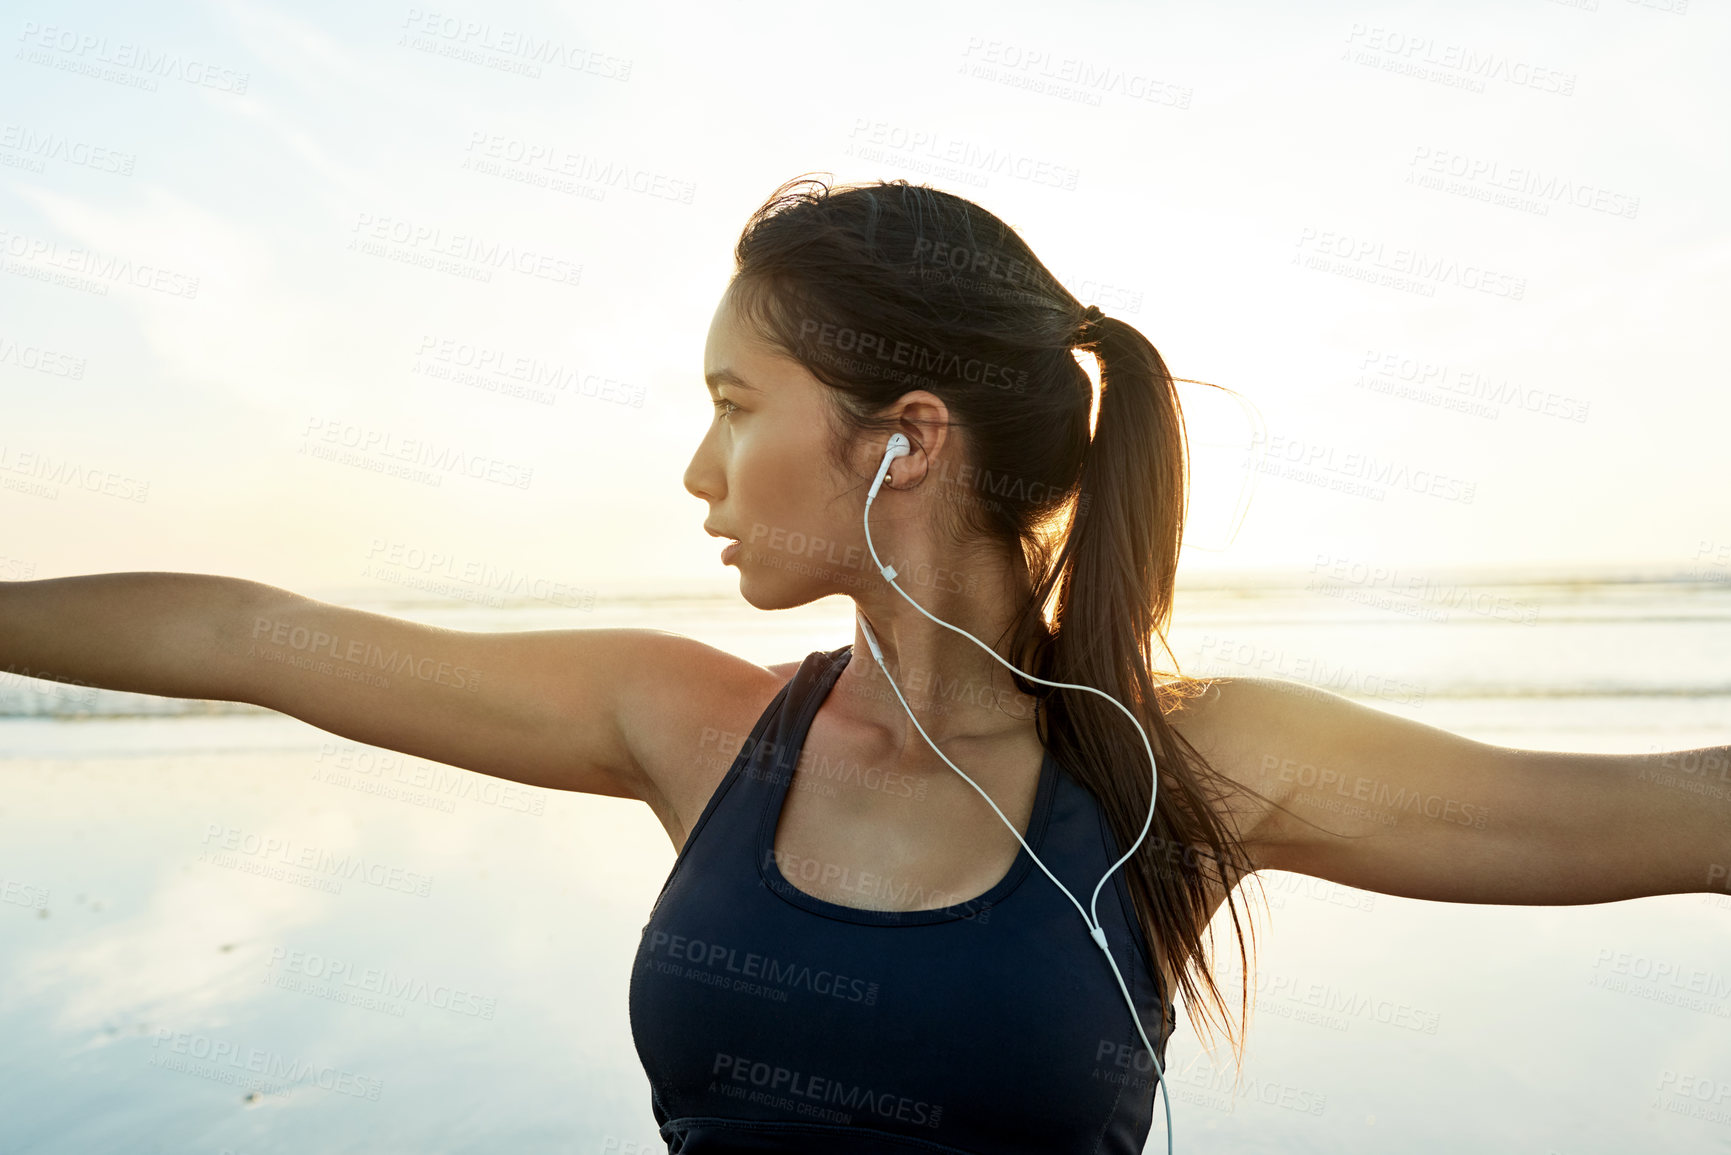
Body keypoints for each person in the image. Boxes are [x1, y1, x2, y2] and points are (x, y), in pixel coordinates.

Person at [3, 175, 1724, 1154]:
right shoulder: (688, 723)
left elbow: (1679, 813)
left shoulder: (1176, 773)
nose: (697, 473)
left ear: (906, 441)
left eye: (735, 407)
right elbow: (251, 637)